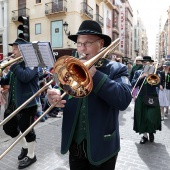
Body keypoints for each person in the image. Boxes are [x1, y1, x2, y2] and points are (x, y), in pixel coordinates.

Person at [47, 20, 132, 170]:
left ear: (100, 43)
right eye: (79, 43)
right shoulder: (71, 66)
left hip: (103, 146)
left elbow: (124, 99)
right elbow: (63, 91)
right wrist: (53, 98)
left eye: (87, 43)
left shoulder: (117, 69)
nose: (82, 48)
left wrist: (95, 75)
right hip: (75, 145)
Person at [0, 38, 39, 169]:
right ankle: (25, 147)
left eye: (16, 48)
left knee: (28, 131)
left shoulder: (32, 62)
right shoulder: (15, 65)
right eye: (13, 48)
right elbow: (6, 80)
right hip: (13, 104)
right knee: (8, 127)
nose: (13, 51)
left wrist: (12, 65)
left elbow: (25, 76)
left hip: (28, 104)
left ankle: (32, 155)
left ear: (24, 50)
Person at [131, 56, 162, 144]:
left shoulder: (155, 72)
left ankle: (151, 132)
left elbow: (158, 83)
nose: (147, 64)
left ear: (151, 64)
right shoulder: (138, 72)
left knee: (151, 116)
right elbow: (133, 83)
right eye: (145, 63)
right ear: (143, 63)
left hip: (152, 96)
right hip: (141, 97)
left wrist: (152, 76)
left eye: (149, 63)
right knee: (142, 117)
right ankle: (144, 136)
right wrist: (141, 77)